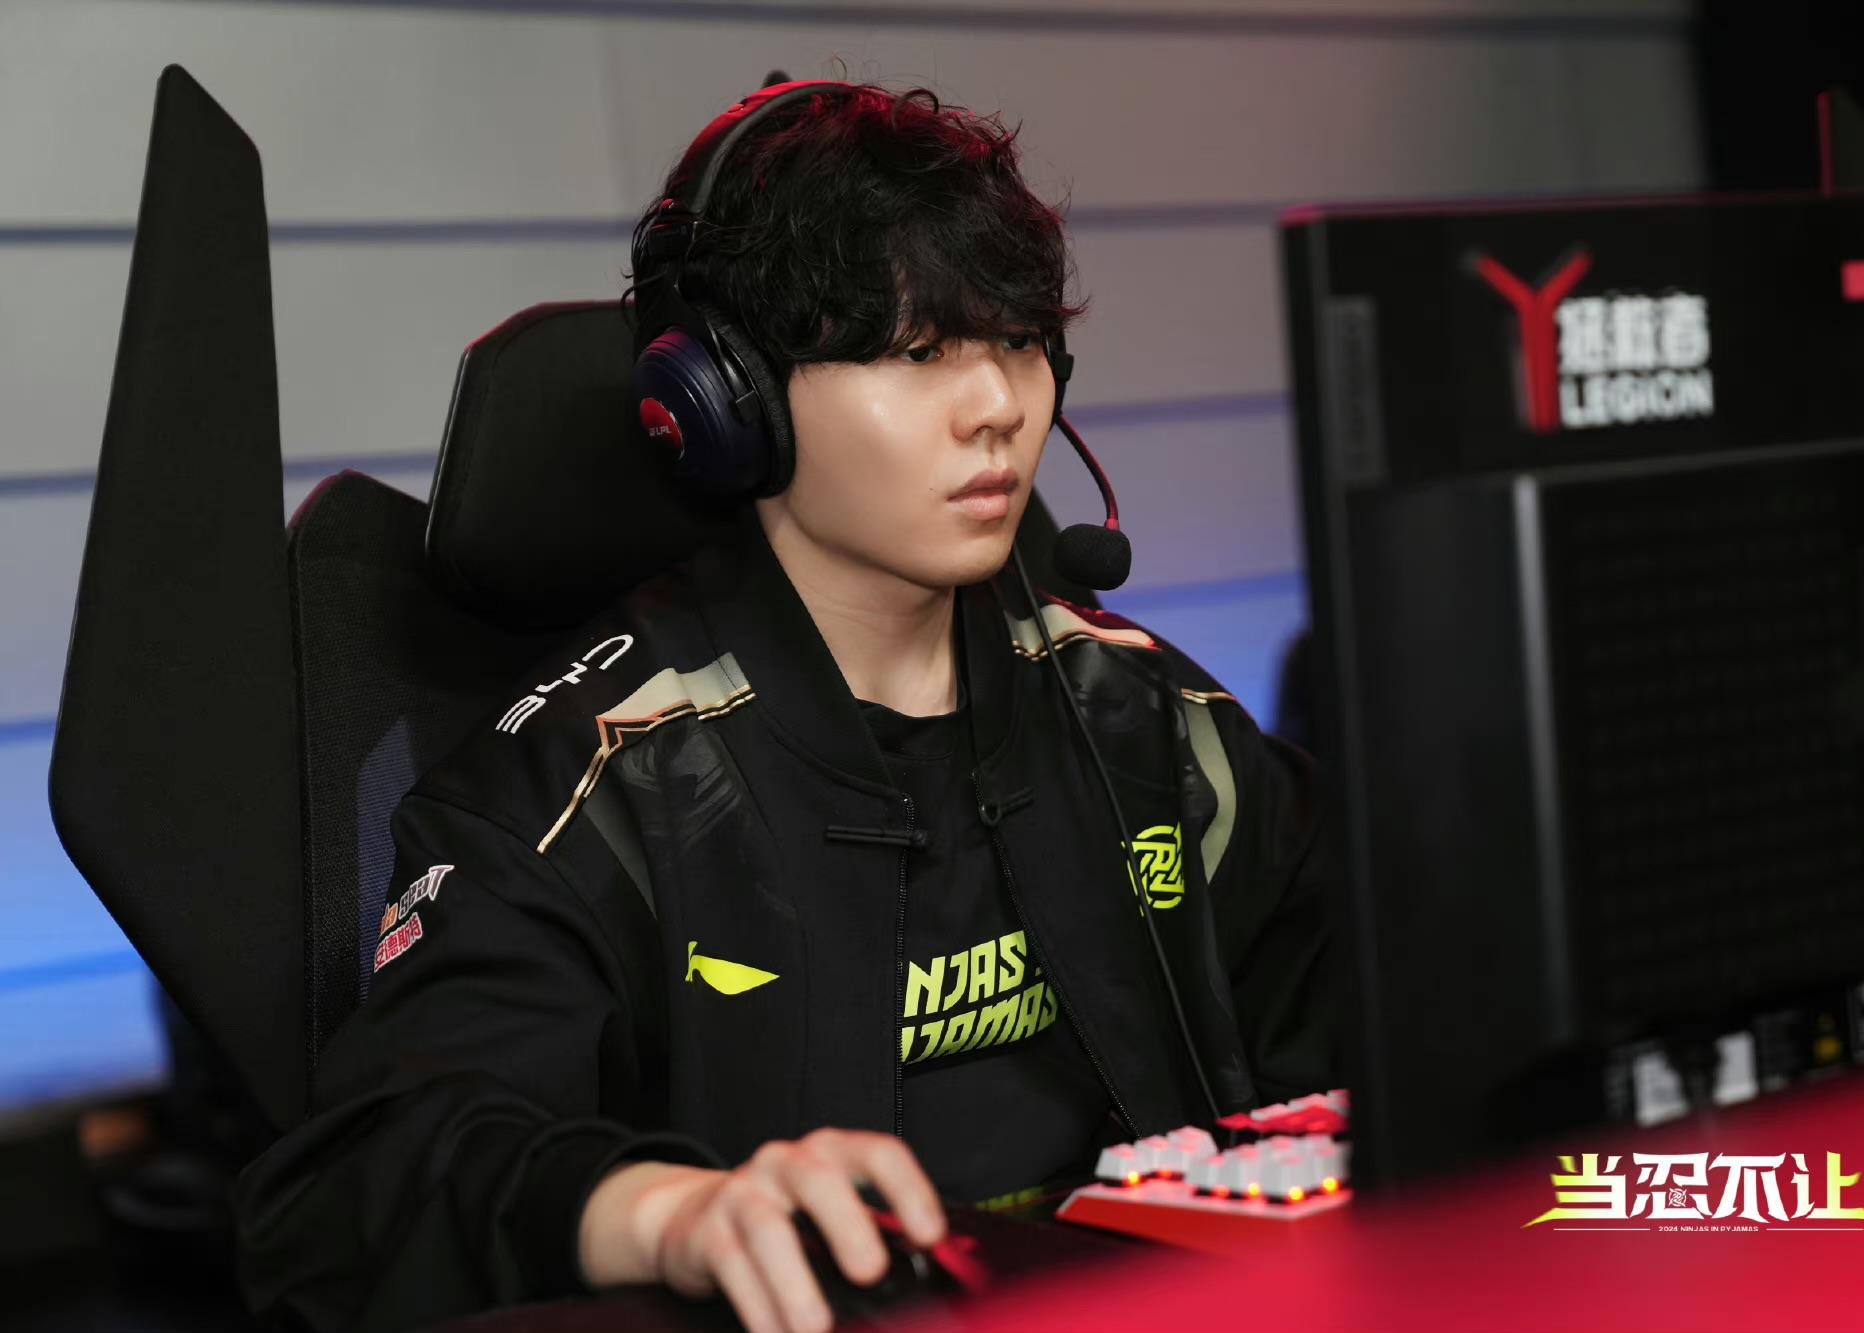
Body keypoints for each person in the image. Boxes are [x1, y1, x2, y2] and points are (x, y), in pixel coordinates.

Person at [232, 80, 1336, 1333]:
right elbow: (362, 1184)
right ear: (727, 401)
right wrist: (670, 1216)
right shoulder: (590, 788)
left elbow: (1389, 991)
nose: (997, 406)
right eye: (918, 353)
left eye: (1019, 340)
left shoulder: (1144, 717)